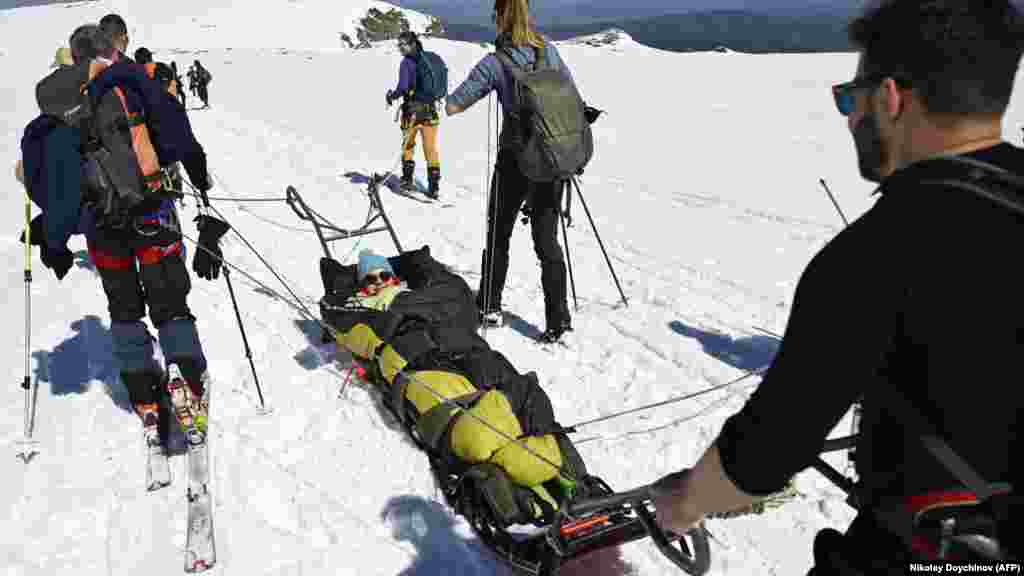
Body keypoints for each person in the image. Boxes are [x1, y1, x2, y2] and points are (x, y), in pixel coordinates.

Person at [651, 1, 1024, 571]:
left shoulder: (878, 254)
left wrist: (683, 503)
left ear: (890, 99)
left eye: (851, 100)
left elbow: (761, 456)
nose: (851, 119)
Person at [21, 24, 228, 444]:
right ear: (107, 49)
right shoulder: (132, 81)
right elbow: (176, 133)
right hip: (152, 213)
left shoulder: (54, 105)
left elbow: (52, 184)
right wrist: (199, 174)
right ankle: (185, 376)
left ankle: (142, 393)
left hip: (101, 229)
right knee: (169, 301)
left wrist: (56, 241)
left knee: (124, 308)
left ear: (73, 56)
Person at [444, 0, 576, 343]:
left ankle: (489, 305)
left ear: (500, 17)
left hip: (515, 160)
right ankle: (558, 321)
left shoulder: (495, 62)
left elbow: (455, 103)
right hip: (551, 162)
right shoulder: (550, 53)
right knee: (547, 243)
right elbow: (572, 98)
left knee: (498, 235)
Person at [386, 31, 443, 199]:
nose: (400, 48)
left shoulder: (407, 63)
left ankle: (407, 179)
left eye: (402, 45)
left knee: (408, 146)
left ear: (411, 44)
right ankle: (434, 187)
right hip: (430, 112)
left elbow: (403, 87)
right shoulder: (428, 59)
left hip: (411, 112)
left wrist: (391, 96)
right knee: (431, 149)